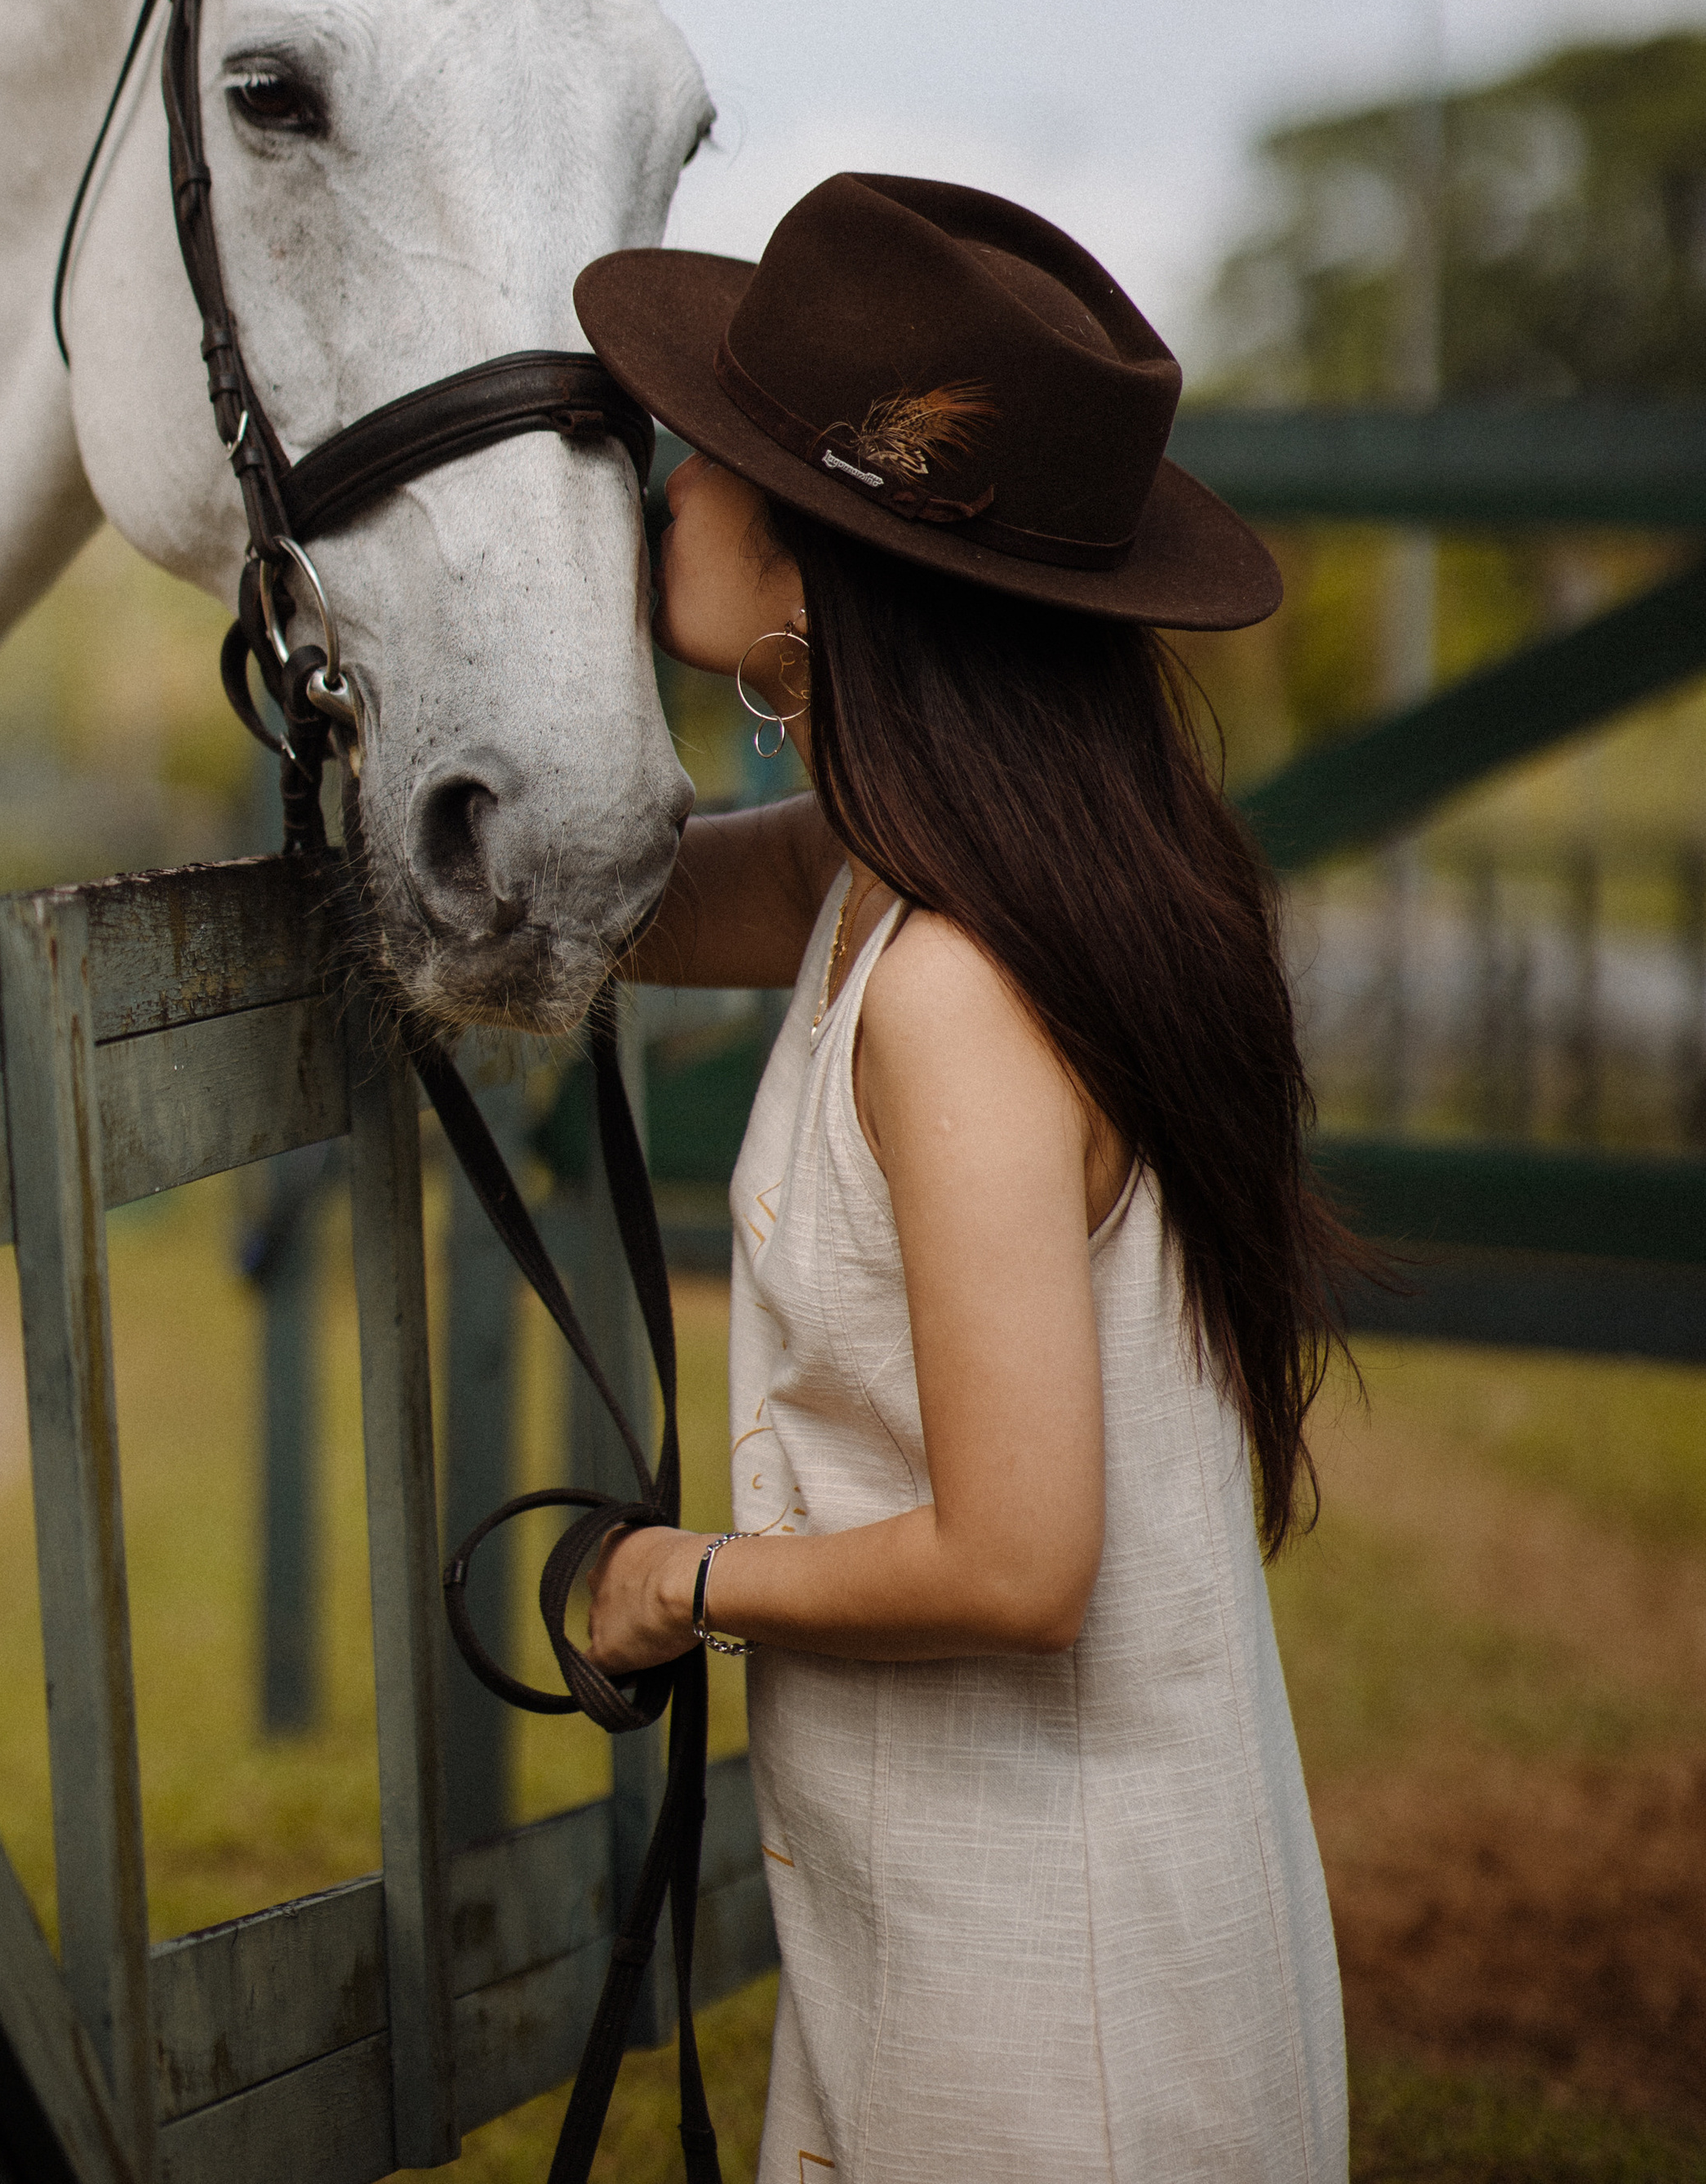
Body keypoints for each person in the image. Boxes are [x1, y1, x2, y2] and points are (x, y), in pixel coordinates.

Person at [572, 173, 1352, 2184]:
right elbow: (607, 899)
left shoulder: (952, 989)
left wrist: (679, 1583)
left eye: (711, 452)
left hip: (1057, 2039)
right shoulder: (925, 866)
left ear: (827, 558)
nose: (663, 481)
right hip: (1002, 1947)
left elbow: (1018, 1563)